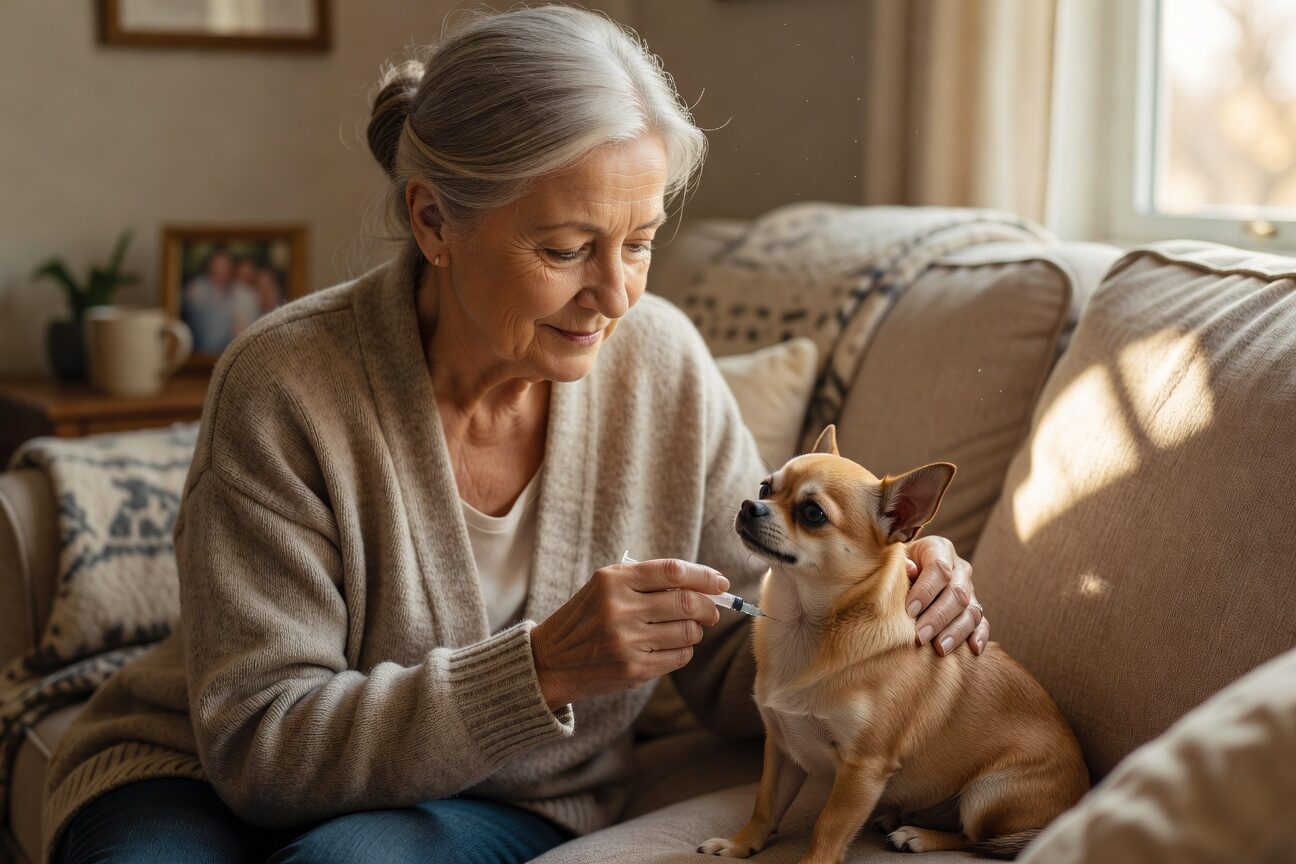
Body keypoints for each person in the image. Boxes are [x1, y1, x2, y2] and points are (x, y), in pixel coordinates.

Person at [43, 7, 988, 864]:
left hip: (511, 797)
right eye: (566, 249)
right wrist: (539, 669)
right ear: (434, 220)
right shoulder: (285, 385)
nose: (616, 296)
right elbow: (261, 750)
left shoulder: (662, 365)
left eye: (641, 240)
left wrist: (879, 596)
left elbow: (744, 662)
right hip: (197, 773)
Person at [182, 248, 236, 353]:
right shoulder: (198, 287)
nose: (221, 270)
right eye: (218, 265)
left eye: (224, 266)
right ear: (210, 267)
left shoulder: (236, 292)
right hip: (200, 352)